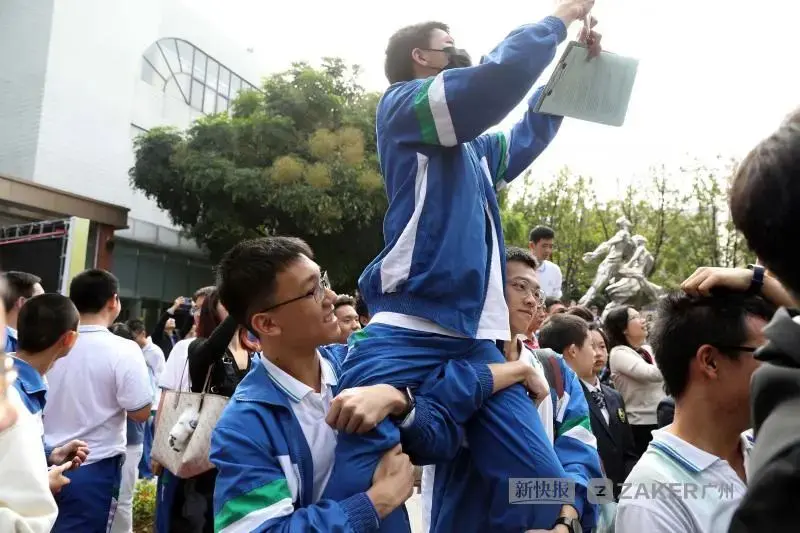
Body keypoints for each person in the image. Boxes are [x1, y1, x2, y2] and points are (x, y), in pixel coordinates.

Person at [326, 5, 602, 530]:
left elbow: (528, 132)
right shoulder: (402, 106)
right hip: (404, 334)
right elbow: (492, 85)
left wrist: (573, 69)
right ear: (420, 57)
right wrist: (557, 19)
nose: (459, 52)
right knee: (370, 494)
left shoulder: (473, 148)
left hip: (477, 343)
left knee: (541, 492)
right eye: (448, 44)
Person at [211, 237, 422, 531]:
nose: (331, 297)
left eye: (323, 280)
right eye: (313, 290)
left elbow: (439, 427)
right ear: (267, 324)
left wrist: (397, 399)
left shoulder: (356, 365)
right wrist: (375, 503)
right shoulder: (244, 426)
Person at [422, 247, 602, 533]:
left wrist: (565, 522)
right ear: (488, 286)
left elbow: (581, 454)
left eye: (537, 293)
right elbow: (427, 427)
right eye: (520, 286)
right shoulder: (452, 366)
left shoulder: (555, 373)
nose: (531, 300)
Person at [615, 289, 776, 533]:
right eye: (770, 355)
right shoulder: (654, 498)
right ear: (710, 362)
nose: (782, 370)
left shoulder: (764, 452)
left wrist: (761, 282)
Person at [43, 269, 152, 533]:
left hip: (40, 458)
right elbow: (140, 412)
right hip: (94, 465)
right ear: (113, 301)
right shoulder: (124, 349)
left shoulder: (47, 342)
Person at [542, 315, 636, 500]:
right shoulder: (556, 399)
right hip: (584, 497)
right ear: (573, 351)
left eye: (602, 346)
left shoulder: (614, 396)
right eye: (591, 346)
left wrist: (629, 489)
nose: (597, 353)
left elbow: (627, 451)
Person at [11, 294, 90, 494]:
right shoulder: (12, 397)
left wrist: (50, 454)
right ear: (69, 339)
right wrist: (40, 485)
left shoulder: (21, 383)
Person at [604, 305, 664, 458]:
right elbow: (651, 373)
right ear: (623, 328)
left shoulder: (647, 350)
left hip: (660, 418)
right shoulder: (619, 353)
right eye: (635, 317)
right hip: (640, 425)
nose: (643, 320)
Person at [108, 322, 148, 533]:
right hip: (107, 442)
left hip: (130, 441)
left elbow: (142, 409)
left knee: (123, 500)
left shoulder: (135, 364)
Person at [1, 271, 44, 353]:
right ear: (22, 302)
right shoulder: (4, 342)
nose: (45, 306)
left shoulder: (15, 340)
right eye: (41, 300)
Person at [529, 226, 563, 299]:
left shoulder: (555, 270)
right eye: (544, 246)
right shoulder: (519, 268)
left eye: (550, 246)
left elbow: (556, 297)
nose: (548, 250)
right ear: (532, 245)